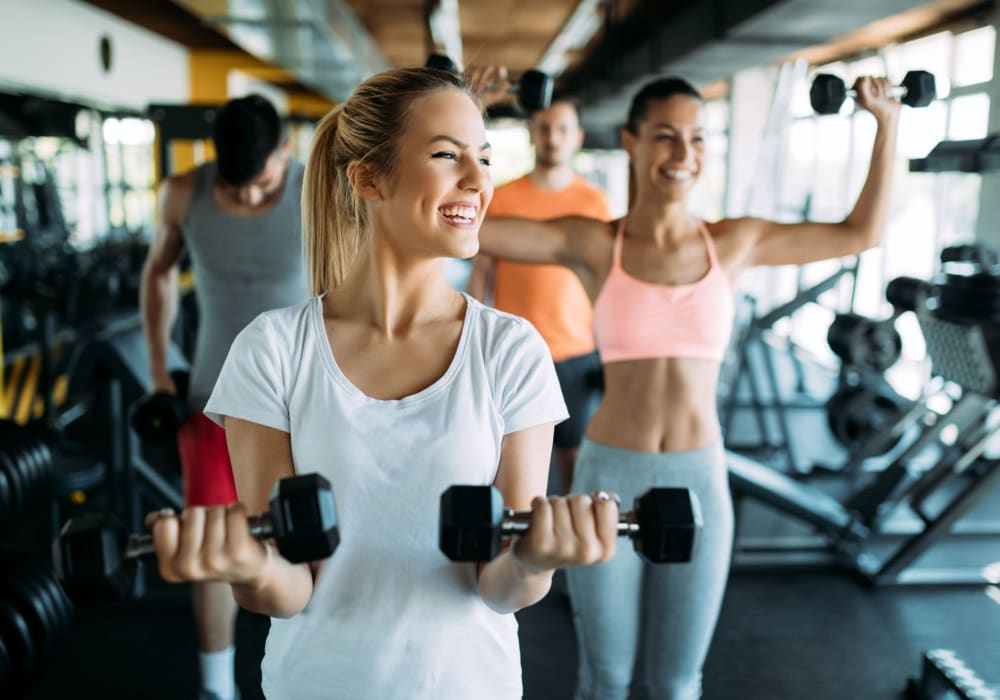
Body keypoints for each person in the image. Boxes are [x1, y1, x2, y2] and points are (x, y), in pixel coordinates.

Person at [143, 67, 626, 700]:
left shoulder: (511, 351)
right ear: (368, 177)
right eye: (446, 155)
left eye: (483, 157)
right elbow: (288, 592)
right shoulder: (272, 350)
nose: (480, 181)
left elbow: (500, 586)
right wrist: (247, 563)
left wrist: (538, 559)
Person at [474, 72, 901, 699]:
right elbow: (465, 223)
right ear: (632, 142)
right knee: (606, 677)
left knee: (677, 683)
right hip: (608, 476)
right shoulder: (594, 243)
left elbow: (860, 233)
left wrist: (887, 124)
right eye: (666, 137)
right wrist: (469, 112)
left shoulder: (735, 241)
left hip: (701, 475)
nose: (683, 155)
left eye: (698, 139)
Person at [140, 94, 308, 700]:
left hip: (306, 399)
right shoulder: (184, 192)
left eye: (262, 184)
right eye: (236, 187)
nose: (247, 198)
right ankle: (217, 684)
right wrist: (161, 368)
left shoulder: (319, 189)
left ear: (285, 152)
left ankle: (312, 669)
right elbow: (158, 272)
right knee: (211, 541)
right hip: (215, 401)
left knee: (312, 535)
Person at [467, 95, 611, 494]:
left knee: (572, 459)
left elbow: (606, 281)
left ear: (577, 137)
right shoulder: (503, 198)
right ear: (532, 132)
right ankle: (504, 550)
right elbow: (481, 273)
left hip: (575, 353)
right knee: (506, 461)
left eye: (562, 128)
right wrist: (471, 339)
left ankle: (566, 549)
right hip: (512, 351)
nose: (553, 137)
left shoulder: (594, 203)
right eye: (544, 127)